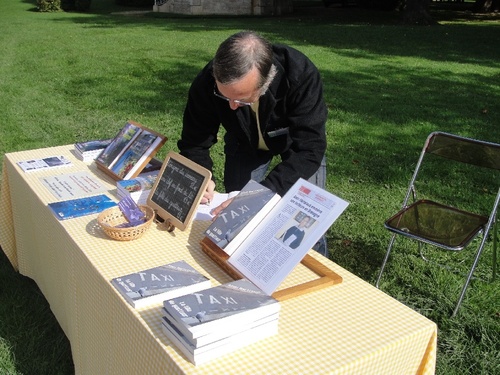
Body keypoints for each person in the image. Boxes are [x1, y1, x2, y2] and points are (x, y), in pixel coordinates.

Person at [178, 31, 328, 254]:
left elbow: (309, 148)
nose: (231, 106)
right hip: (243, 143)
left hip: (296, 147)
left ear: (267, 81)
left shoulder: (300, 74)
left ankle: (316, 254)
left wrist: (262, 195)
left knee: (306, 218)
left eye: (241, 99)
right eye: (224, 96)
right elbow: (194, 140)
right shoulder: (207, 80)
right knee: (237, 217)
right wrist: (202, 174)